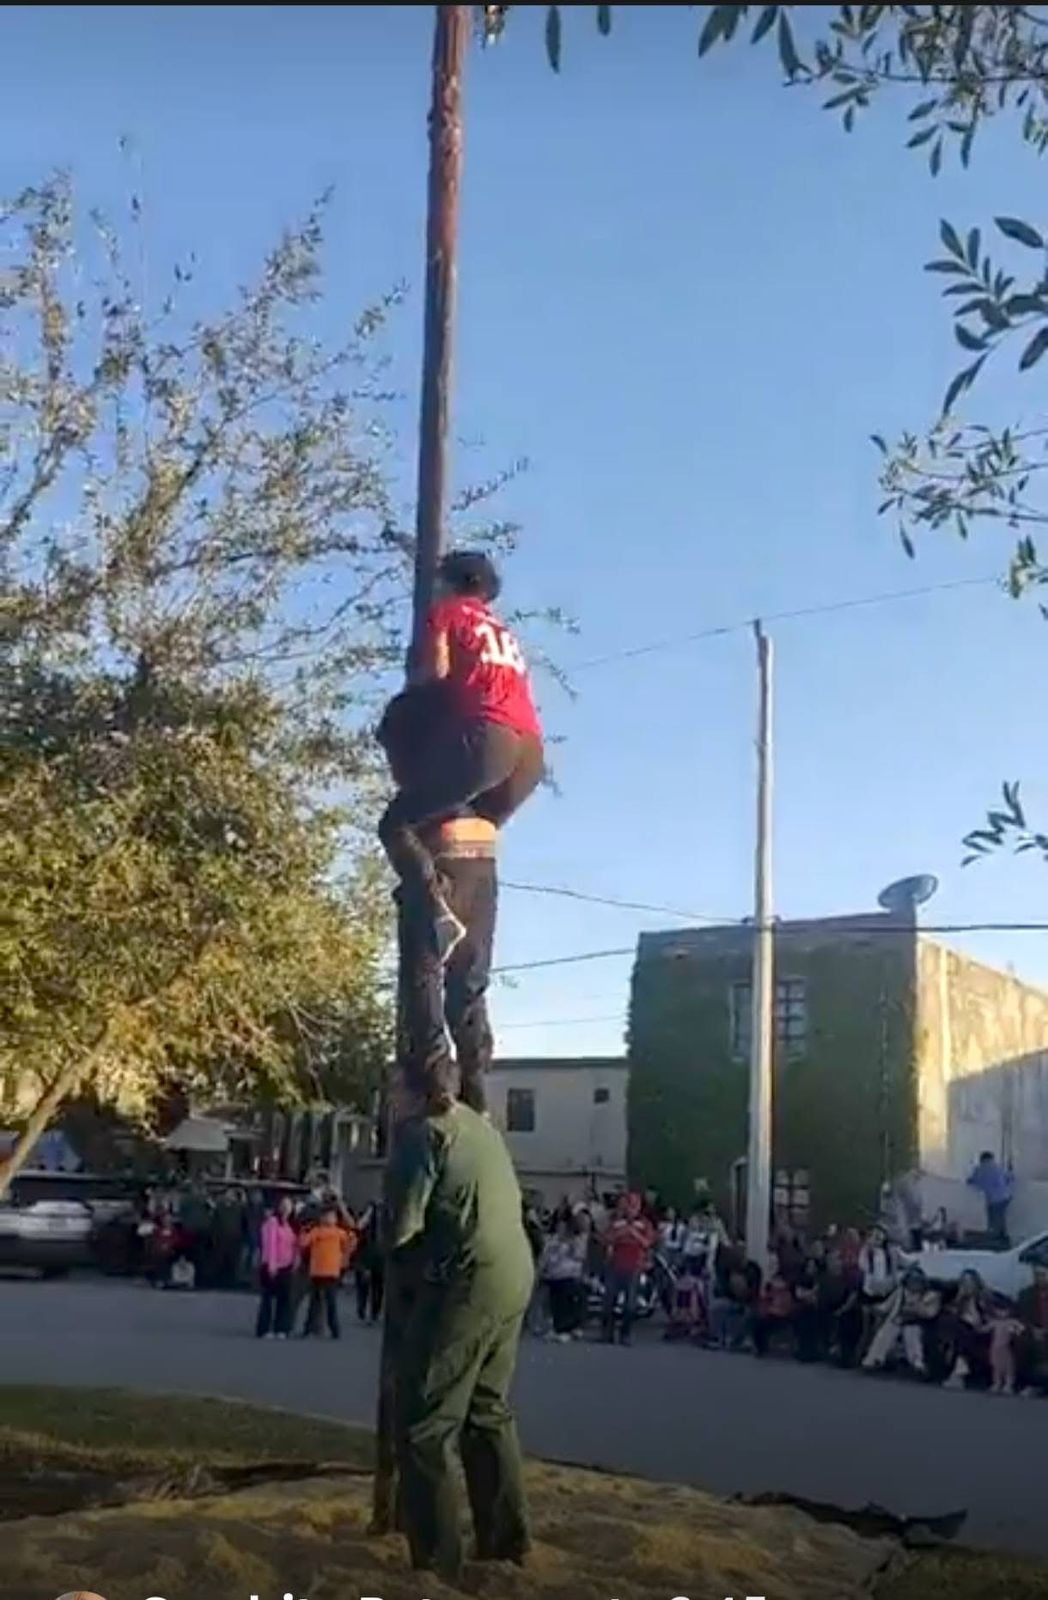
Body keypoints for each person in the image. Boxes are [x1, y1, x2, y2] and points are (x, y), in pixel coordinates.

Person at [385, 1068, 534, 1582]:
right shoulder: (478, 1126)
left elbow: (402, 1228)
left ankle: (437, 1559)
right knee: (487, 1411)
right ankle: (506, 1541)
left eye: (392, 1090)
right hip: (514, 1272)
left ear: (410, 1094)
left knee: (425, 1423)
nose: (389, 1101)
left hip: (466, 1280)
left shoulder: (422, 1135)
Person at [379, 549, 545, 964]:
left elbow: (433, 676)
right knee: (468, 835)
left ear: (448, 581)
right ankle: (467, 947)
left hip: (488, 738)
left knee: (398, 823)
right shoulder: (504, 633)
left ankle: (435, 908)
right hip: (529, 755)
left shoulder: (447, 612)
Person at [862, 1266, 941, 1377]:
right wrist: (874, 1309)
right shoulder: (900, 1292)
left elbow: (930, 1314)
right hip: (897, 1321)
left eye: (917, 1282)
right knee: (885, 1334)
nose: (914, 1284)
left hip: (917, 1324)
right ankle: (873, 1360)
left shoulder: (931, 1296)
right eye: (912, 1281)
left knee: (912, 1336)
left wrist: (917, 1307)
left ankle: (917, 1365)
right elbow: (886, 1306)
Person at [601, 1193, 655, 1346]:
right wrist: (620, 1233)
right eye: (628, 1205)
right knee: (608, 1300)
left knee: (630, 1304)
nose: (630, 1209)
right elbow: (606, 1239)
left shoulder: (645, 1224)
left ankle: (625, 1334)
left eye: (634, 1205)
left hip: (634, 1266)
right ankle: (607, 1333)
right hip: (615, 1264)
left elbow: (647, 1243)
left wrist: (633, 1233)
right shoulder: (617, 1222)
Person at [299, 1203, 353, 1339]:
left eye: (331, 1216)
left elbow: (350, 1242)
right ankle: (308, 1329)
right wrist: (304, 1231)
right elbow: (304, 1243)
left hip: (331, 1271)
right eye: (326, 1216)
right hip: (317, 1271)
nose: (329, 1219)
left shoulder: (339, 1232)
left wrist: (344, 1257)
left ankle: (335, 1330)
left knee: (331, 1303)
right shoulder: (316, 1231)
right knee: (314, 1302)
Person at [942, 1268, 992, 1389]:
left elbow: (984, 1321)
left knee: (964, 1331)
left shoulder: (984, 1299)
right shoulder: (958, 1300)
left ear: (976, 1283)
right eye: (964, 1282)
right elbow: (950, 1315)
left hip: (983, 1334)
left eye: (970, 1282)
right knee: (961, 1329)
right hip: (964, 1336)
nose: (967, 1285)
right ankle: (960, 1371)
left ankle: (958, 1373)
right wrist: (959, 1299)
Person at [256, 1195, 297, 1339]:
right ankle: (264, 1328)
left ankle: (281, 1328)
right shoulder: (272, 1222)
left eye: (289, 1205)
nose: (287, 1208)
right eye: (284, 1205)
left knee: (284, 1299)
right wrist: (272, 1265)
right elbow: (270, 1244)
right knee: (268, 1299)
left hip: (286, 1266)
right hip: (272, 1265)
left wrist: (294, 1262)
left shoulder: (290, 1225)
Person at [540, 1216, 587, 1341]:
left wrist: (570, 1245)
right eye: (558, 1227)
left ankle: (567, 1329)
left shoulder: (575, 1240)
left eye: (563, 1227)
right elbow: (545, 1256)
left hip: (569, 1275)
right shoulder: (551, 1241)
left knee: (568, 1303)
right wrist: (542, 1269)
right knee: (555, 1304)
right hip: (553, 1276)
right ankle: (557, 1328)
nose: (560, 1229)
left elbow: (580, 1256)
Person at [968, 1151, 1014, 1245]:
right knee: (1000, 1217)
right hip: (1005, 1197)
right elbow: (1009, 1177)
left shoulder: (980, 1168)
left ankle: (995, 1240)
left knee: (994, 1219)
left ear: (982, 1159)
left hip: (994, 1199)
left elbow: (973, 1181)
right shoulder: (997, 1167)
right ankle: (1003, 1237)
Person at [1015, 1262, 1048, 1396]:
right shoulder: (1026, 1294)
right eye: (1036, 1275)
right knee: (1022, 1340)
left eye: (1043, 1275)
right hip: (1032, 1333)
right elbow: (1020, 1317)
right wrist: (1032, 1329)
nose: (1039, 1278)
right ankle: (1033, 1383)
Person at [353, 1201, 385, 1324]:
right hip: (364, 1253)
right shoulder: (367, 1215)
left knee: (378, 1285)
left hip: (380, 1255)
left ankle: (374, 1313)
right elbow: (359, 1226)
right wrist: (369, 1212)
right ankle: (362, 1309)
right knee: (363, 1284)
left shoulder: (387, 1216)